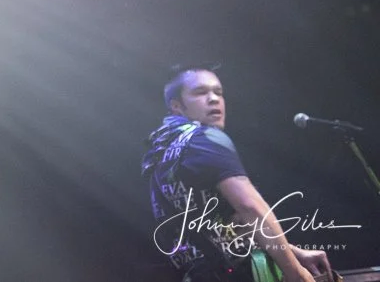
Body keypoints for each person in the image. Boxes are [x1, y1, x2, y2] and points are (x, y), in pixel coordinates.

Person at [142, 64, 334, 282]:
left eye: (218, 92)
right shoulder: (204, 138)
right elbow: (250, 208)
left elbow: (224, 225)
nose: (214, 99)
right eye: (200, 92)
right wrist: (296, 273)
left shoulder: (160, 152)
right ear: (177, 106)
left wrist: (293, 251)